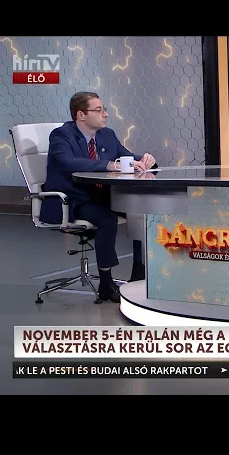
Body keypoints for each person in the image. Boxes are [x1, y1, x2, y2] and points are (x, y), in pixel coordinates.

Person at [39, 91, 157, 303]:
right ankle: (106, 283)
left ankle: (139, 274)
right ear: (81, 115)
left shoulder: (107, 135)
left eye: (104, 109)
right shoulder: (61, 136)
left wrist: (146, 160)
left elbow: (127, 156)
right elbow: (70, 163)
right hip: (72, 199)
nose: (105, 114)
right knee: (107, 219)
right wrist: (110, 166)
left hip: (101, 195)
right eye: (99, 110)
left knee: (141, 210)